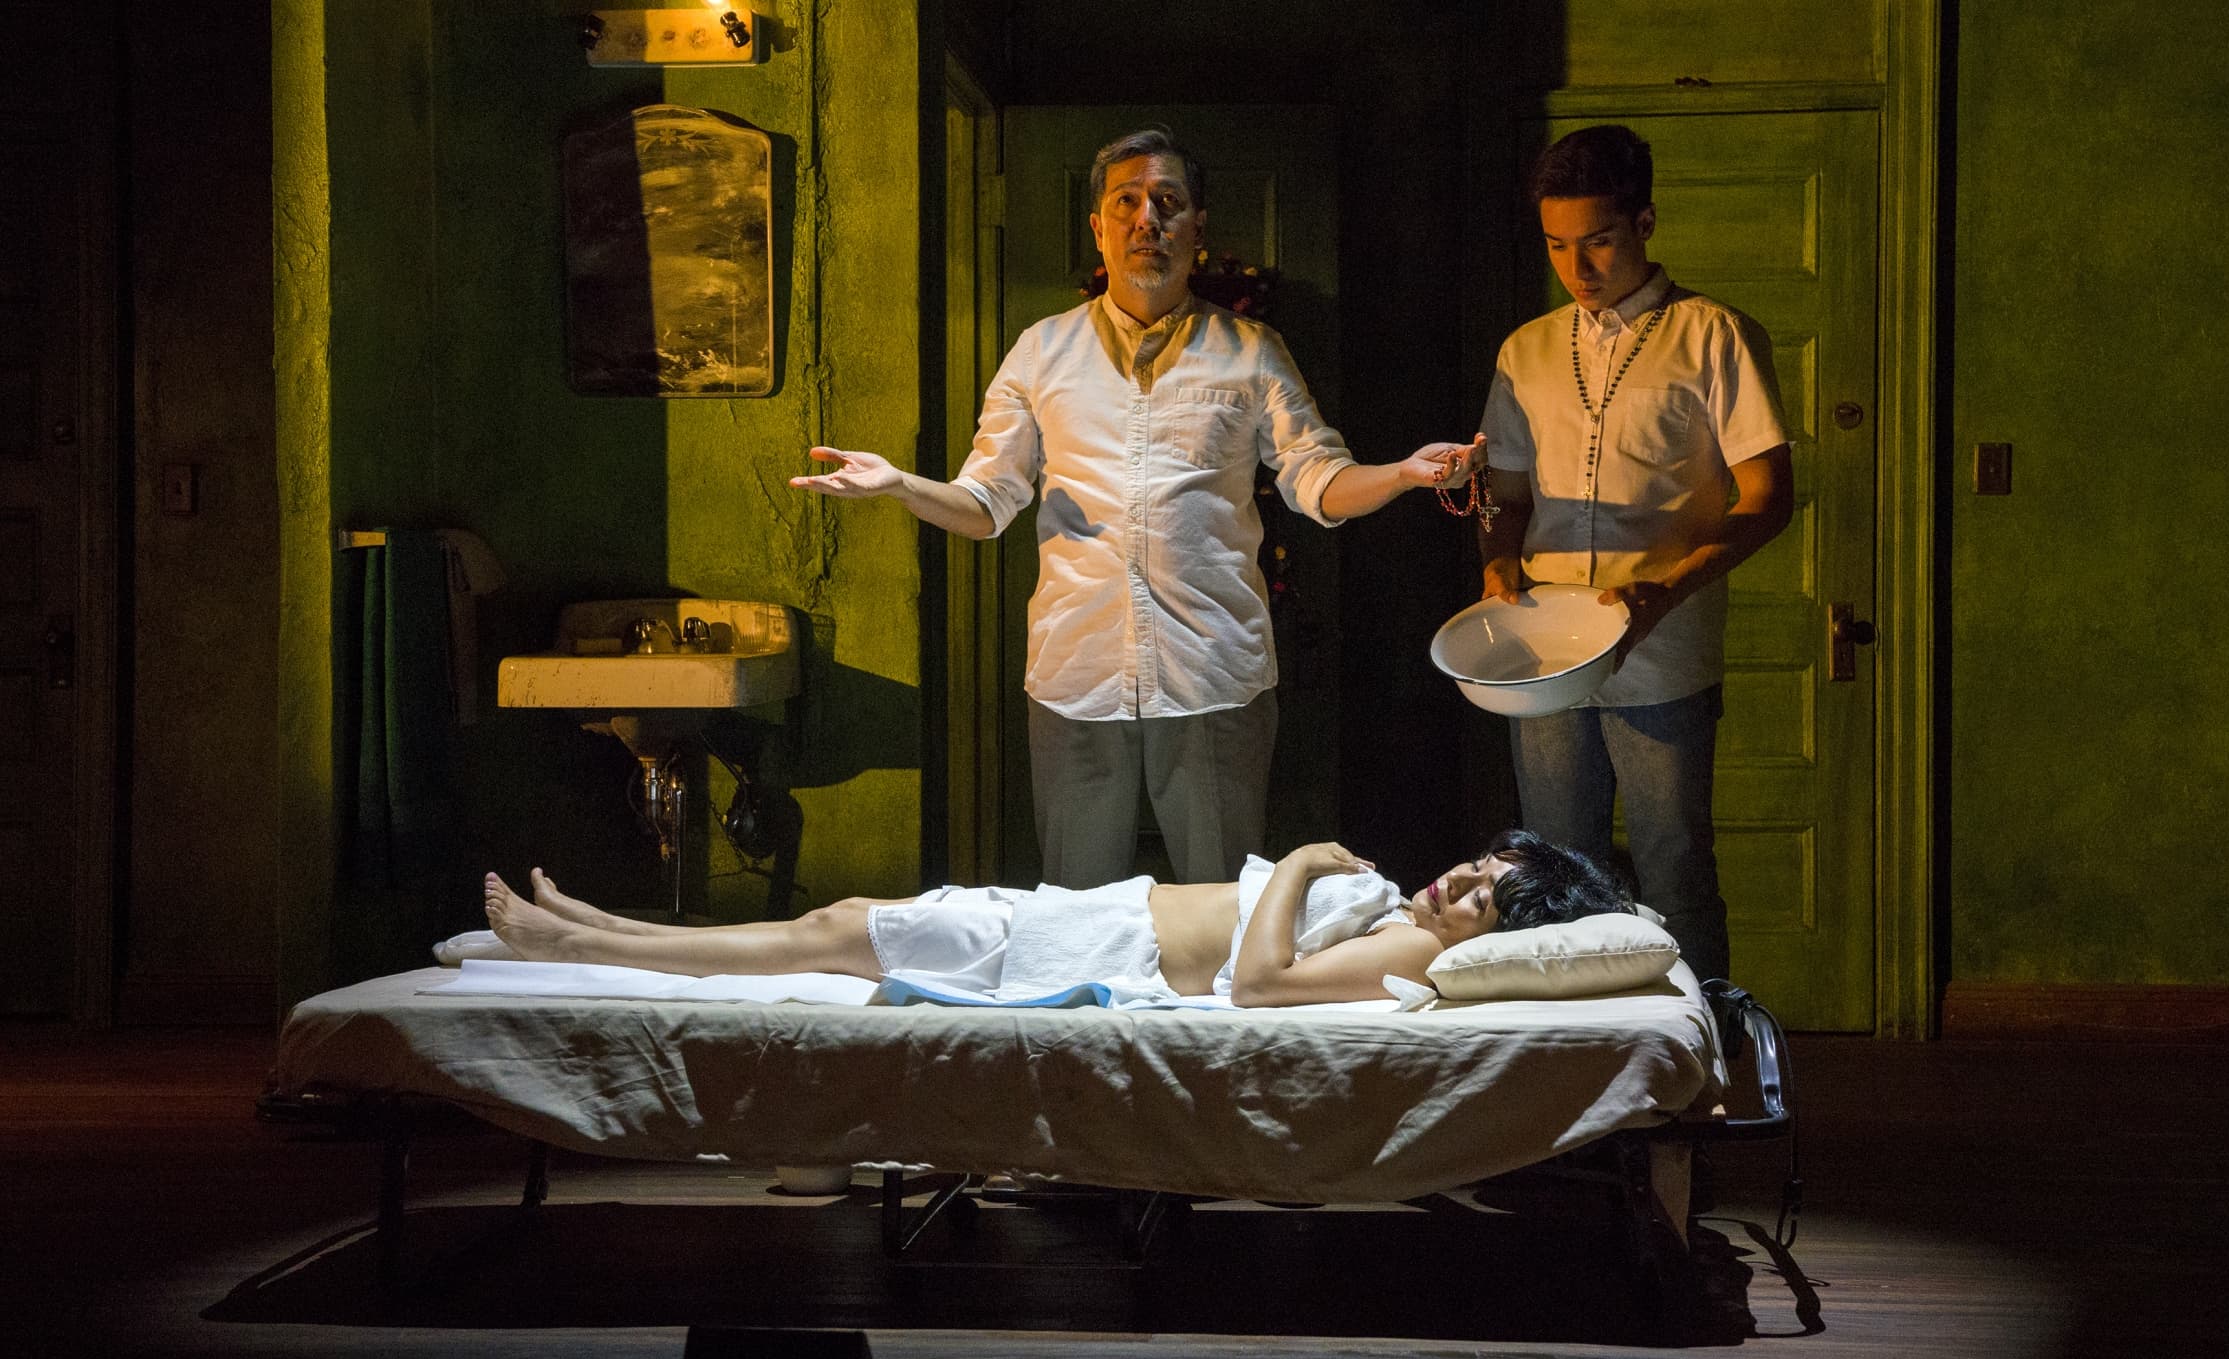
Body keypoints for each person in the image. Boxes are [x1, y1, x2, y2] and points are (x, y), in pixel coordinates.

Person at [789, 127, 1477, 888]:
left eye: (1168, 202)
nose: (1147, 219)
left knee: (1222, 906)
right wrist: (898, 486)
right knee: (1077, 914)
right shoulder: (1041, 351)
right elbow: (987, 504)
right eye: (1128, 202)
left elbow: (1316, 481)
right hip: (1077, 675)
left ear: (1197, 228)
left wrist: (1404, 475)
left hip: (1215, 672)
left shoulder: (1250, 349)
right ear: (1099, 226)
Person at [1468, 124, 1793, 983]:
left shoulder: (1712, 335)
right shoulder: (1526, 350)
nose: (1579, 270)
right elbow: (1505, 497)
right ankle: (1578, 1065)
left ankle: (1708, 1062)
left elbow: (1767, 499)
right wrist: (1497, 562)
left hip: (1664, 650)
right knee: (1553, 872)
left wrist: (1666, 590)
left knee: (1674, 866)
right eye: (1558, 247)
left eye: (1600, 242)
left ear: (1646, 223)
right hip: (1543, 651)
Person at [478, 829, 1632, 1008]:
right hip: (1090, 914)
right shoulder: (1423, 923)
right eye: (1478, 866)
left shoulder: (1418, 949)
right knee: (835, 924)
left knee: (829, 927)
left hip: (1088, 949)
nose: (1459, 887)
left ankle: (582, 940)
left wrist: (1302, 860)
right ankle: (591, 925)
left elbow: (1265, 983)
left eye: (1487, 895)